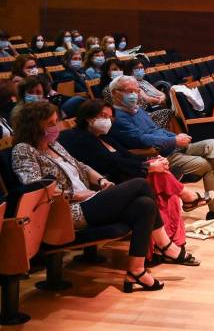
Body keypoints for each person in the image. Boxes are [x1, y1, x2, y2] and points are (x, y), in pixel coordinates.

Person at [11, 101, 200, 292]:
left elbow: (81, 165)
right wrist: (77, 194)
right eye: (50, 123)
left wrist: (101, 180)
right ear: (34, 125)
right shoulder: (23, 150)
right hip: (66, 211)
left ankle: (136, 270)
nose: (56, 127)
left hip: (89, 198)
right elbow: (37, 189)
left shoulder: (53, 144)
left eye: (56, 121)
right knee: (141, 184)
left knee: (144, 205)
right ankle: (165, 244)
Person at [107, 76, 214, 225]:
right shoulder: (118, 118)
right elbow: (141, 140)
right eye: (130, 91)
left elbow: (156, 129)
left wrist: (176, 137)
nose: (135, 95)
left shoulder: (137, 110)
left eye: (137, 91)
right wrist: (173, 140)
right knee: (211, 163)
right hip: (157, 156)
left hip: (170, 147)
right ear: (116, 93)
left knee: (211, 144)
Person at [59, 100, 213, 256]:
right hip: (113, 183)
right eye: (102, 116)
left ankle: (169, 241)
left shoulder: (105, 137)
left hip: (125, 175)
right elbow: (112, 163)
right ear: (88, 117)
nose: (107, 120)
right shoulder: (79, 138)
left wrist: (152, 162)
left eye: (110, 117)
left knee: (164, 187)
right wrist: (148, 167)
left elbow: (128, 156)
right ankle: (186, 200)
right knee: (159, 180)